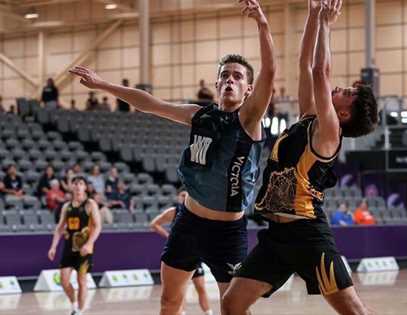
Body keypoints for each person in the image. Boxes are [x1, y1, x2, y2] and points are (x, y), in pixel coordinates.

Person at [69, 1, 275, 313]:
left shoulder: (249, 119)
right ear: (217, 84)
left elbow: (270, 72)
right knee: (169, 301)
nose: (230, 80)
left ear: (248, 89)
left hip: (228, 231)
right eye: (225, 75)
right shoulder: (198, 115)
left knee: (235, 308)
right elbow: (150, 103)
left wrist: (262, 24)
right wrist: (102, 85)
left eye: (238, 76)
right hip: (189, 221)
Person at [222, 1, 377, 314]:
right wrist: (312, 14)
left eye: (344, 91)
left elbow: (320, 70)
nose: (338, 87)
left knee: (354, 312)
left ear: (344, 112)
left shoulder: (330, 130)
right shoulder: (309, 116)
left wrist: (327, 25)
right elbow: (305, 64)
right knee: (232, 304)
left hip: (308, 235)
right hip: (277, 236)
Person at [150, 195, 213, 315]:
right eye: (182, 195)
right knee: (178, 291)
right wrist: (168, 236)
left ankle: (208, 312)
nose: (185, 197)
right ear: (179, 197)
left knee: (201, 287)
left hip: (195, 252)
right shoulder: (174, 211)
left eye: (186, 194)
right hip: (179, 252)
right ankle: (181, 312)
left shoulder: (200, 210)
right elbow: (154, 224)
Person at [47, 176, 102, 315]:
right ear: (72, 187)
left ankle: (80, 311)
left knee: (81, 280)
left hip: (85, 248)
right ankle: (74, 304)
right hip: (69, 247)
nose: (78, 186)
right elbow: (59, 228)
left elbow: (97, 227)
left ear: (85, 187)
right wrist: (53, 246)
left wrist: (89, 243)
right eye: (75, 184)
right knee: (64, 281)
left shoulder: (90, 204)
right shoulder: (67, 206)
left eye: (81, 183)